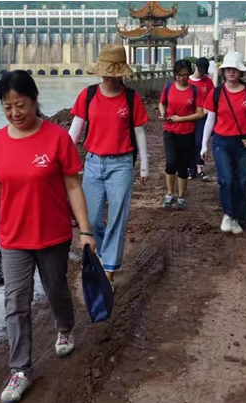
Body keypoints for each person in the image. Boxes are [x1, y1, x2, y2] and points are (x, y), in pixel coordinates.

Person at [0, 70, 96, 403]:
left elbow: (73, 186)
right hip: (13, 238)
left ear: (34, 100)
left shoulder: (57, 138)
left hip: (53, 235)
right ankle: (20, 369)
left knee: (56, 290)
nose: (15, 113)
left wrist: (85, 230)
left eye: (21, 105)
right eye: (7, 107)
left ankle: (65, 327)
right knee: (15, 303)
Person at [69, 44, 149, 288]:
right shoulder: (88, 95)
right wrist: (60, 157)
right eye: (106, 72)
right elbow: (75, 130)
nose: (109, 77)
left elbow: (139, 132)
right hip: (93, 164)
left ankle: (109, 269)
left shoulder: (131, 98)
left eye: (113, 73)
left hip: (121, 166)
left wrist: (144, 164)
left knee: (117, 219)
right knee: (91, 219)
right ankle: (103, 252)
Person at [201, 52, 246, 235]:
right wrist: (204, 144)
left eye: (235, 69)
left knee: (241, 181)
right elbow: (210, 120)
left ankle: (238, 216)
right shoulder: (216, 93)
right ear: (224, 71)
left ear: (241, 72)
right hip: (221, 142)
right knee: (226, 179)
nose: (231, 72)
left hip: (243, 142)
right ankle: (228, 214)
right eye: (228, 69)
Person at [159, 60, 205, 210]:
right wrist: (163, 113)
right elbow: (161, 103)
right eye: (179, 75)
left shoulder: (194, 91)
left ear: (189, 74)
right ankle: (169, 193)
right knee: (170, 162)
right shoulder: (168, 87)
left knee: (183, 166)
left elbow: (200, 113)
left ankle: (181, 196)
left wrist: (180, 119)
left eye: (185, 75)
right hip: (170, 132)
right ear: (174, 74)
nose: (182, 78)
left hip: (187, 133)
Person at [188, 57, 215, 181]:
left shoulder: (208, 82)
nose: (201, 73)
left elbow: (213, 97)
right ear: (196, 67)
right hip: (188, 117)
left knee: (200, 142)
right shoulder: (188, 81)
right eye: (200, 70)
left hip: (203, 117)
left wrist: (207, 110)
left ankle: (200, 168)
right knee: (189, 143)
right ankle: (190, 168)